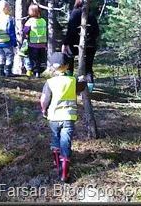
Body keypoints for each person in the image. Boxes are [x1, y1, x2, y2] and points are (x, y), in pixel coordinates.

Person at [40, 52, 87, 183]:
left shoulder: (50, 82)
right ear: (67, 66)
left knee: (56, 138)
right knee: (66, 142)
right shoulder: (72, 81)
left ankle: (57, 163)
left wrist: (44, 110)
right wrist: (82, 79)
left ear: (53, 68)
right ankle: (64, 173)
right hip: (68, 117)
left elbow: (44, 99)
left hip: (53, 117)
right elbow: (82, 87)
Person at [62, 0, 100, 82]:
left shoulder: (75, 12)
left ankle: (68, 82)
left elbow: (70, 30)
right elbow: (97, 31)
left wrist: (65, 43)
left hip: (74, 44)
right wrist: (91, 40)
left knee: (68, 62)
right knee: (88, 67)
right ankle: (89, 88)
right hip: (90, 44)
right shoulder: (91, 14)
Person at [0, 0, 18, 77]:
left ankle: (0, 71)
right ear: (5, 8)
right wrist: (14, 42)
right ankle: (8, 71)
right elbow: (11, 31)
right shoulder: (9, 19)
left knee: (1, 56)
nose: (9, 8)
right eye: (8, 7)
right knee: (9, 56)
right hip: (7, 42)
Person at [23, 4, 47, 78]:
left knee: (34, 59)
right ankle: (40, 73)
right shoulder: (43, 20)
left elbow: (25, 30)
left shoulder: (30, 21)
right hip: (42, 44)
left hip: (33, 44)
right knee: (41, 59)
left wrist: (27, 34)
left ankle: (35, 73)